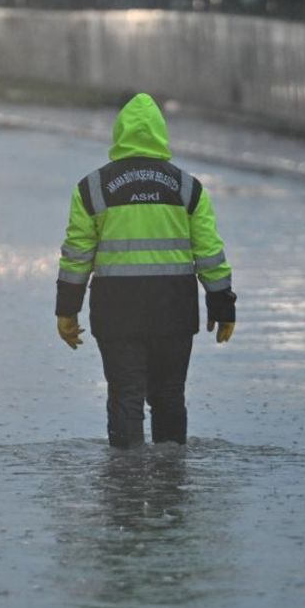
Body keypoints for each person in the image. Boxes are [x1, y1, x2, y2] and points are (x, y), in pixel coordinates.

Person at [55, 93, 236, 448]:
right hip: (174, 310)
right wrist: (222, 305)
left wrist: (66, 310)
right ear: (160, 134)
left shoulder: (92, 188)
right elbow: (210, 253)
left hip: (117, 311)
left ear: (119, 133)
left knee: (125, 397)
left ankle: (126, 487)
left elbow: (77, 254)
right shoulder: (188, 188)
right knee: (169, 397)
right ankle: (171, 483)